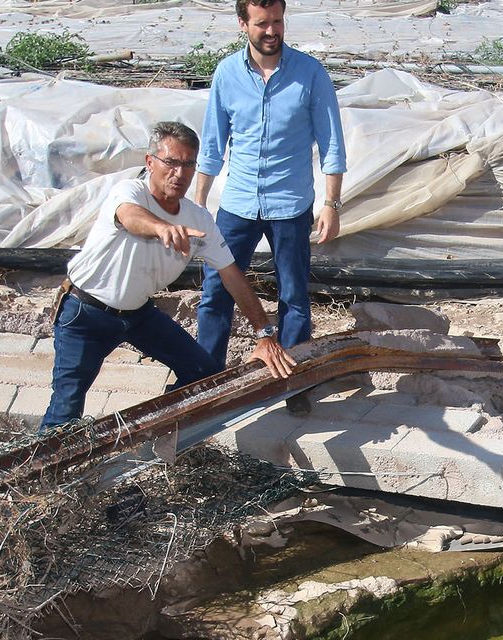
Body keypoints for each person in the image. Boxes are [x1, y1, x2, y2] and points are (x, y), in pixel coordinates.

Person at [41, 121, 293, 431]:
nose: (180, 173)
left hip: (138, 315)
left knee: (202, 373)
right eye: (171, 162)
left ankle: (156, 432)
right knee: (66, 410)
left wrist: (264, 334)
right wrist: (162, 228)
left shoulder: (198, 218)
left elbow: (232, 276)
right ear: (150, 162)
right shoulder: (129, 191)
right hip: (86, 313)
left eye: (188, 164)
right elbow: (130, 217)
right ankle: (37, 473)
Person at [192, 0, 346, 372]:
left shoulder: (310, 74)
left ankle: (293, 381)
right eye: (262, 23)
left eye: (277, 22)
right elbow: (212, 145)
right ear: (243, 24)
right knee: (215, 292)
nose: (272, 31)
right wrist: (196, 206)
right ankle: (203, 376)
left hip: (290, 206)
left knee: (293, 297)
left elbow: (332, 144)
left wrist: (331, 204)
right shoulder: (227, 74)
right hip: (238, 205)